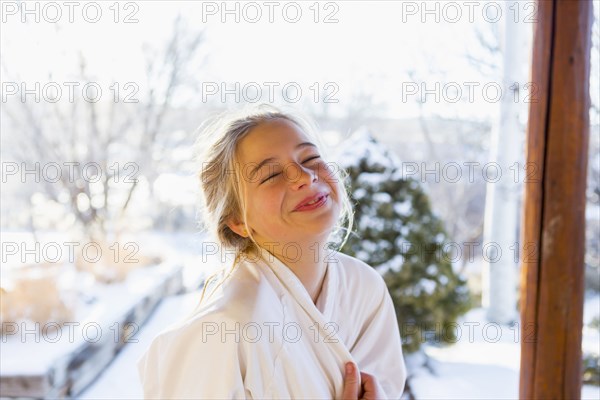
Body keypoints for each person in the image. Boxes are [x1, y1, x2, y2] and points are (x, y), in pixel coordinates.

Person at [136, 104, 407, 399]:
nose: (304, 176)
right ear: (238, 220)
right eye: (271, 175)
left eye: (311, 157)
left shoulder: (365, 288)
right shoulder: (221, 331)